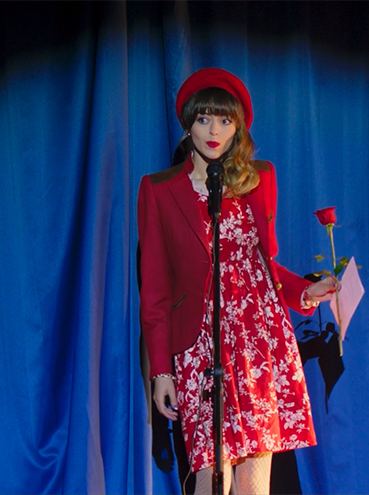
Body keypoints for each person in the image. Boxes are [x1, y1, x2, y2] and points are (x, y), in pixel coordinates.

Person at [137, 68, 339, 495]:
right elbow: (154, 291)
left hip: (258, 340)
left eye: (225, 120)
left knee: (254, 480)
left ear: (238, 127)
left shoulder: (259, 178)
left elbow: (262, 265)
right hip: (200, 345)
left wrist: (305, 291)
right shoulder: (159, 190)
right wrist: (161, 372)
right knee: (210, 475)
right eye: (204, 119)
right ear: (188, 123)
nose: (214, 131)